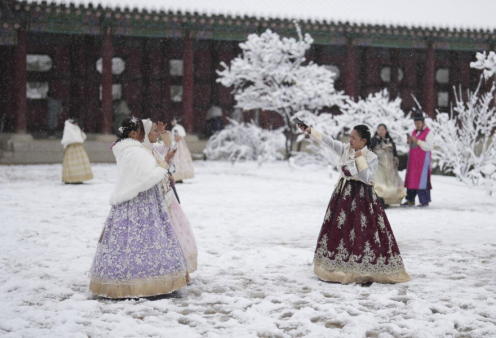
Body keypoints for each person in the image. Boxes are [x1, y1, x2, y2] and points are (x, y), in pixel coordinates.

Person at [298, 123, 411, 284]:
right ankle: (336, 267)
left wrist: (359, 159)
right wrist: (311, 131)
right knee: (340, 229)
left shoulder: (371, 157)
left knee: (363, 230)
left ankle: (364, 267)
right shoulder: (345, 150)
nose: (350, 140)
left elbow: (366, 178)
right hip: (343, 195)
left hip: (363, 197)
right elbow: (329, 141)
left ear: (363, 140)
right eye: (350, 136)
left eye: (354, 137)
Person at [89, 117, 188, 299]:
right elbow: (146, 177)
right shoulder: (133, 151)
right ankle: (144, 282)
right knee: (144, 239)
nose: (144, 135)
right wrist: (164, 167)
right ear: (133, 133)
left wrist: (163, 165)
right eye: (142, 131)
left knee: (132, 242)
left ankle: (132, 280)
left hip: (135, 201)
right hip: (141, 202)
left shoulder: (130, 149)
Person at [141, 119, 198, 274]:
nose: (157, 134)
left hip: (163, 192)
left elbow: (167, 149)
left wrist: (163, 134)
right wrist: (165, 168)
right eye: (154, 131)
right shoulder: (141, 150)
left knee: (171, 226)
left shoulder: (150, 147)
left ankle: (174, 263)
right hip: (152, 196)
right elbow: (156, 165)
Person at [403, 111, 434, 207]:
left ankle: (424, 201)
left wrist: (418, 141)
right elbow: (414, 146)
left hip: (423, 161)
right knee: (412, 180)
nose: (416, 125)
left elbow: (429, 147)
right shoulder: (414, 132)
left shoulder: (429, 133)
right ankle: (410, 199)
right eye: (415, 124)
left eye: (418, 123)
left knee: (422, 180)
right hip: (414, 161)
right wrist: (409, 142)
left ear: (423, 122)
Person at [370, 124, 406, 207]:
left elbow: (394, 152)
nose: (381, 131)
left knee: (391, 183)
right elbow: (369, 151)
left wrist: (395, 159)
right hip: (378, 165)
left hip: (389, 165)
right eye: (379, 129)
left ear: (386, 130)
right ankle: (380, 199)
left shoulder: (389, 140)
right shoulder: (373, 140)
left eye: (383, 129)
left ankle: (389, 200)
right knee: (380, 182)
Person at [60, 118, 93, 184]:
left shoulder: (77, 128)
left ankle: (79, 178)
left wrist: (81, 133)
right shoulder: (68, 128)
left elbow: (82, 137)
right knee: (71, 164)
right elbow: (68, 139)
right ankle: (70, 179)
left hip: (78, 147)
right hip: (71, 148)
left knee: (78, 164)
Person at [169, 118, 195, 183]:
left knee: (177, 160)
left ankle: (178, 176)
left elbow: (177, 138)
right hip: (181, 145)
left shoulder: (176, 129)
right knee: (181, 160)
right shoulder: (179, 127)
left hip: (177, 145)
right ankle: (180, 176)